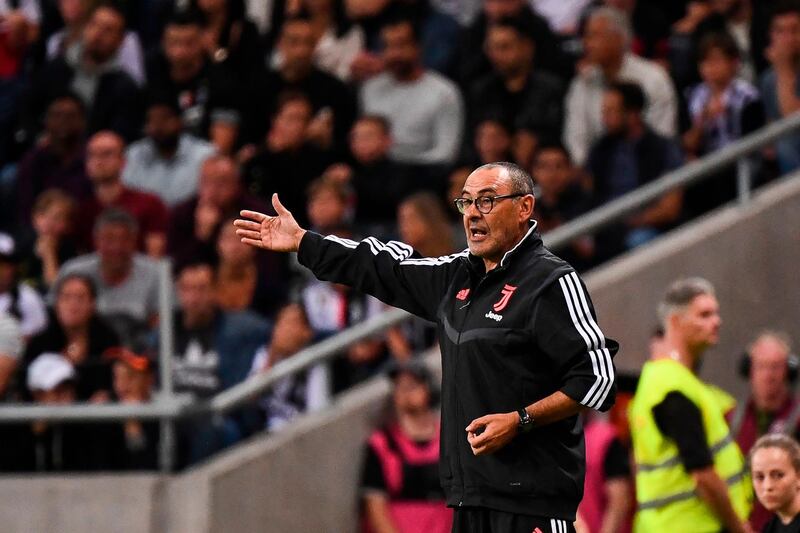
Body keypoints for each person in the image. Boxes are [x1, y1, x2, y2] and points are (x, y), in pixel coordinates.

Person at [236, 161, 619, 532]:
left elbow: (597, 379)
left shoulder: (551, 282)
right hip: (469, 502)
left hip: (532, 505)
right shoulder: (456, 277)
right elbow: (382, 267)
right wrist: (305, 242)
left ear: (524, 207)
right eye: (466, 202)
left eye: (486, 201)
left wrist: (519, 420)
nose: (472, 213)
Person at [629, 277, 751, 533]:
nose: (716, 321)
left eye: (716, 313)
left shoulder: (663, 379)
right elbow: (702, 476)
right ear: (675, 322)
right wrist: (739, 527)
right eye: (704, 315)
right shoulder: (673, 388)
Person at [564, 6, 678, 166]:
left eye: (594, 36)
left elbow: (663, 135)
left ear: (619, 38)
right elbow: (576, 139)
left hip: (648, 171)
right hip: (596, 176)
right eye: (586, 37)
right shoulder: (582, 83)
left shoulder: (653, 78)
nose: (587, 44)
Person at [21, 2, 143, 143]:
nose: (98, 34)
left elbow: (121, 135)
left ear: (120, 40)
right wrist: (40, 137)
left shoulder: (125, 87)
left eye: (108, 30)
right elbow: (28, 111)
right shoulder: (58, 67)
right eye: (94, 25)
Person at [586, 82, 684, 256]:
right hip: (606, 229)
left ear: (632, 114)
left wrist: (632, 221)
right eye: (604, 112)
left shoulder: (663, 149)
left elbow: (670, 208)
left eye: (611, 112)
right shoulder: (600, 150)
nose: (604, 119)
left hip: (645, 228)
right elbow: (588, 194)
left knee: (639, 241)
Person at [360, 359, 453, 533]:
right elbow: (375, 507)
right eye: (399, 387)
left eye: (412, 386)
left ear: (428, 390)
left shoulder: (449, 438)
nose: (405, 393)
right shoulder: (382, 443)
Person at [360, 17, 464, 168]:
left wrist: (400, 164)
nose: (394, 54)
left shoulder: (444, 92)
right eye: (388, 46)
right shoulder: (370, 89)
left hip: (422, 175)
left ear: (418, 47)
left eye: (401, 45)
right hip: (374, 173)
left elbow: (446, 153)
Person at [468, 17, 564, 168]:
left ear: (527, 47)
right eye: (492, 48)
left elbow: (555, 132)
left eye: (505, 47)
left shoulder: (549, 89)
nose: (496, 56)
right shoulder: (482, 90)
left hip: (538, 165)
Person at [730, 331, 800, 531]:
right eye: (761, 366)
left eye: (776, 367)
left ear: (788, 371)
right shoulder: (732, 418)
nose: (768, 375)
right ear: (749, 370)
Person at [56, 208, 160, 341]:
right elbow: (56, 314)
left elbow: (164, 323)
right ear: (96, 240)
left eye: (124, 239)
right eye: (109, 239)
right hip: (84, 351)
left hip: (139, 353)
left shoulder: (155, 274)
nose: (117, 247)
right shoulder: (73, 271)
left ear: (134, 241)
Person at [22, 273, 118, 401]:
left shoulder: (108, 341)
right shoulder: (40, 344)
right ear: (57, 304)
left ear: (92, 304)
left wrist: (106, 396)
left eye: (80, 298)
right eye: (66, 297)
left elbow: (115, 382)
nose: (73, 304)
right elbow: (26, 387)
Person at [75, 130, 169, 256]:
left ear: (123, 161)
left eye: (106, 154)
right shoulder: (82, 210)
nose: (98, 161)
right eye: (92, 155)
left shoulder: (149, 204)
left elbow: (156, 258)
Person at [169, 154, 269, 267]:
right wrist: (201, 237)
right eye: (206, 182)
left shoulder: (257, 213)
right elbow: (176, 267)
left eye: (221, 182)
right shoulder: (182, 214)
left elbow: (270, 266)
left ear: (237, 183)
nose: (212, 190)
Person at [122, 96, 216, 207]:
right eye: (152, 120)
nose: (158, 126)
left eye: (164, 118)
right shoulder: (133, 154)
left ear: (179, 121)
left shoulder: (204, 155)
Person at [249, 302, 329, 431]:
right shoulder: (264, 354)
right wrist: (272, 356)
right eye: (282, 322)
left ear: (306, 332)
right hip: (265, 431)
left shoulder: (313, 363)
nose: (286, 329)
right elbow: (250, 397)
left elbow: (318, 412)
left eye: (293, 323)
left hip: (299, 432)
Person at [14, 92, 90, 228]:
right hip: (39, 234)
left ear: (82, 121)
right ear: (46, 121)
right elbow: (25, 209)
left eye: (70, 116)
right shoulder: (33, 161)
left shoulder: (91, 159)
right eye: (57, 115)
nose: (63, 121)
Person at [760, 0, 800, 173]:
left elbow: (794, 123)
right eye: (780, 31)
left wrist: (784, 70)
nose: (788, 39)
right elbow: (773, 124)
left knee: (786, 145)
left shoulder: (780, 71)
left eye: (794, 30)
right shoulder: (768, 79)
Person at [104, 346, 159, 470]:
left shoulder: (166, 422)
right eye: (116, 377)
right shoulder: (106, 419)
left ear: (149, 379)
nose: (121, 387)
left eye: (130, 376)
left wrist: (134, 430)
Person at [751, 433, 800, 533]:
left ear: (798, 477)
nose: (767, 486)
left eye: (778, 475)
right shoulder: (770, 527)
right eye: (759, 477)